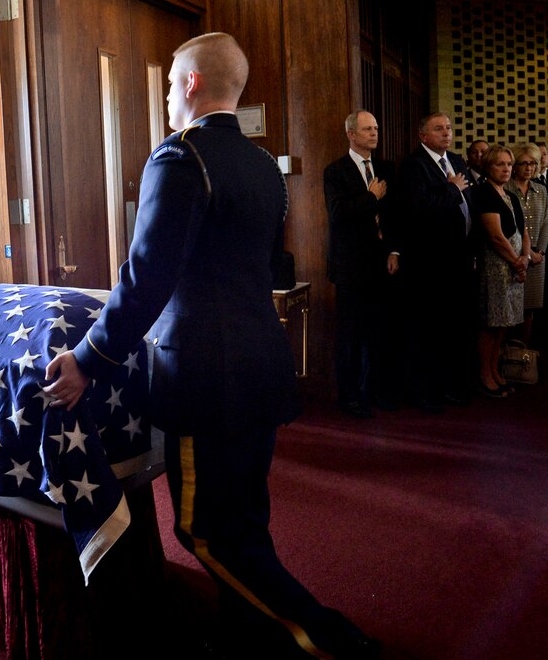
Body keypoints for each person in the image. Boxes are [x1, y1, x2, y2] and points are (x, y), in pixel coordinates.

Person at [45, 33, 378, 658]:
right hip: (262, 361)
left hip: (206, 377)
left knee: (206, 532)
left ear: (191, 84)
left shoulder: (178, 158)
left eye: (172, 82)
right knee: (246, 518)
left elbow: (147, 279)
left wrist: (88, 360)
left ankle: (328, 640)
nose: (169, 95)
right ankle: (242, 632)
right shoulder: (263, 165)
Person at [390, 112, 475, 411]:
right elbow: (418, 210)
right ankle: (423, 393)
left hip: (459, 260)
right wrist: (451, 189)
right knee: (426, 331)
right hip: (429, 264)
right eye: (439, 129)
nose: (446, 133)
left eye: (449, 128)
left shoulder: (458, 161)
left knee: (452, 329)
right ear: (423, 135)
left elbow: (470, 204)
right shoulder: (413, 166)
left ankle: (449, 387)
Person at [323, 110, 399, 418]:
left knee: (381, 332)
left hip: (383, 263)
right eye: (367, 129)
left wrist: (395, 250)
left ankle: (377, 390)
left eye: (376, 128)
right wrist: (370, 197)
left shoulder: (386, 169)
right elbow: (338, 214)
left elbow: (396, 214)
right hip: (351, 266)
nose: (374, 134)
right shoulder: (336, 171)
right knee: (351, 336)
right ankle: (350, 396)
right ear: (351, 134)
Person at [470, 145, 529, 396]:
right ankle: (485, 375)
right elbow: (495, 236)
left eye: (508, 164)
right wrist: (516, 261)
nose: (506, 169)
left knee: (505, 322)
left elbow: (524, 231)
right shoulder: (483, 193)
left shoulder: (511, 195)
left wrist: (525, 258)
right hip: (495, 266)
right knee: (491, 323)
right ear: (488, 167)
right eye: (499, 164)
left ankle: (496, 370)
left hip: (514, 267)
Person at [506, 143, 547, 346]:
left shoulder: (542, 191)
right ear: (514, 165)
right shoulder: (505, 188)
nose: (528, 168)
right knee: (510, 308)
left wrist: (539, 251)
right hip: (512, 257)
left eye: (532, 163)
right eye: (523, 163)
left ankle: (524, 356)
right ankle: (507, 357)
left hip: (537, 261)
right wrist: (527, 253)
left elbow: (547, 223)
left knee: (529, 309)